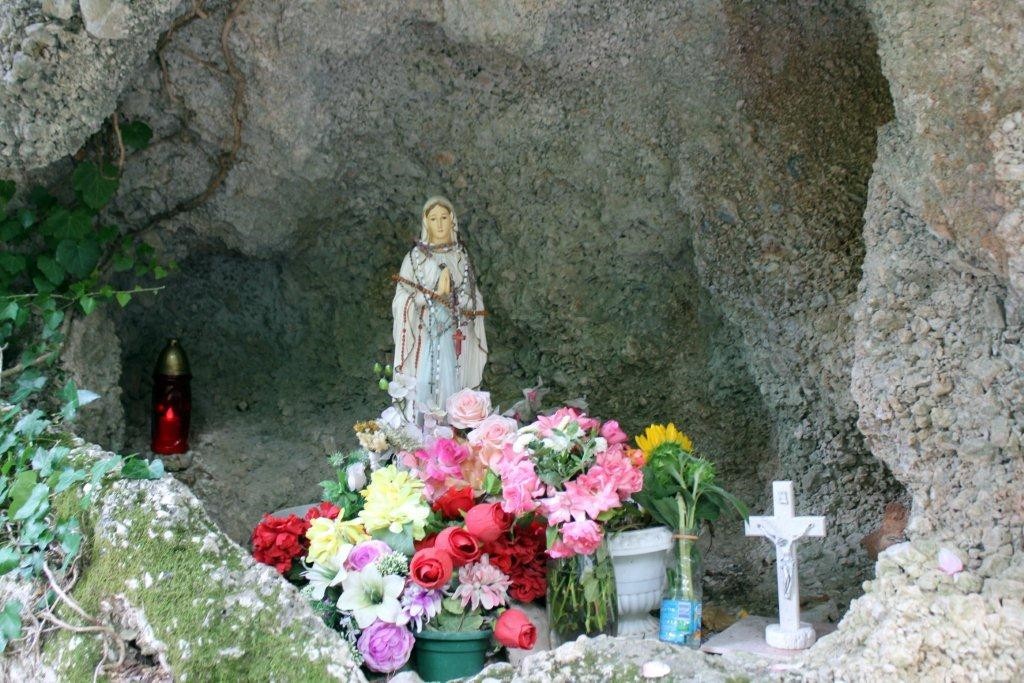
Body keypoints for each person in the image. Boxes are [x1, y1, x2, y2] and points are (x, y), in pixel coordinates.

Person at [391, 196, 487, 418]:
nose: (440, 224)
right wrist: (430, 296)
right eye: (433, 219)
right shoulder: (414, 258)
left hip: (454, 332)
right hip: (424, 334)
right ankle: (419, 426)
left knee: (452, 379)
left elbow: (474, 298)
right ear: (426, 223)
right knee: (423, 380)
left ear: (452, 220)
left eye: (444, 217)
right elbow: (401, 298)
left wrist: (459, 300)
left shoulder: (460, 257)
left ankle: (453, 426)